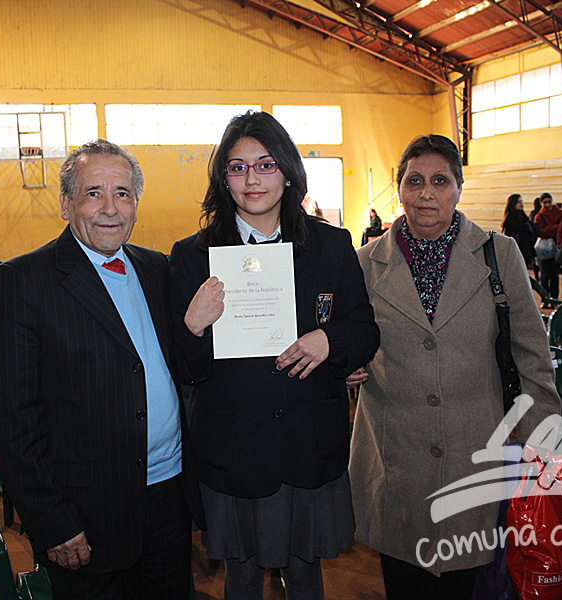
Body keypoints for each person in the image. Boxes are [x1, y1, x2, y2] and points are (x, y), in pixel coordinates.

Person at [169, 110, 379, 600]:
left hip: (309, 442)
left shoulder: (331, 245)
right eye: (237, 167)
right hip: (234, 449)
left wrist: (330, 342)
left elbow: (364, 329)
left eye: (266, 164)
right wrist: (193, 327)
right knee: (241, 578)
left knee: (305, 575)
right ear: (223, 178)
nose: (252, 179)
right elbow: (185, 368)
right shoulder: (192, 255)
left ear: (287, 172)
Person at [0, 139, 204, 600]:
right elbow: (11, 421)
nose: (110, 208)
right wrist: (51, 518)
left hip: (167, 498)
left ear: (136, 203)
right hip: (87, 512)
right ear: (66, 204)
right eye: (93, 193)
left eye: (122, 193)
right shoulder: (22, 282)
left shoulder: (155, 269)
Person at [346, 134, 560, 600]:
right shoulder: (362, 264)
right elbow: (346, 340)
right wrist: (345, 367)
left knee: (469, 586)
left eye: (440, 181)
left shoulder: (499, 254)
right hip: (395, 460)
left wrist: (542, 442)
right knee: (405, 584)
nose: (427, 193)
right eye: (415, 181)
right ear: (399, 189)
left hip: (476, 456)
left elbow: (532, 357)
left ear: (458, 189)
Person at [534, 193, 562, 305]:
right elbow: (540, 232)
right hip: (544, 249)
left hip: (556, 248)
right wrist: (554, 229)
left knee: (555, 276)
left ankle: (554, 298)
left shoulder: (560, 213)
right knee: (544, 276)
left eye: (549, 202)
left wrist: (549, 228)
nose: (547, 204)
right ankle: (545, 298)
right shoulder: (539, 216)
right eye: (545, 202)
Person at [501, 194, 536, 269]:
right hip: (518, 248)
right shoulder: (511, 217)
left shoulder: (523, 216)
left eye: (522, 201)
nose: (521, 204)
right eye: (518, 202)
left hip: (525, 247)